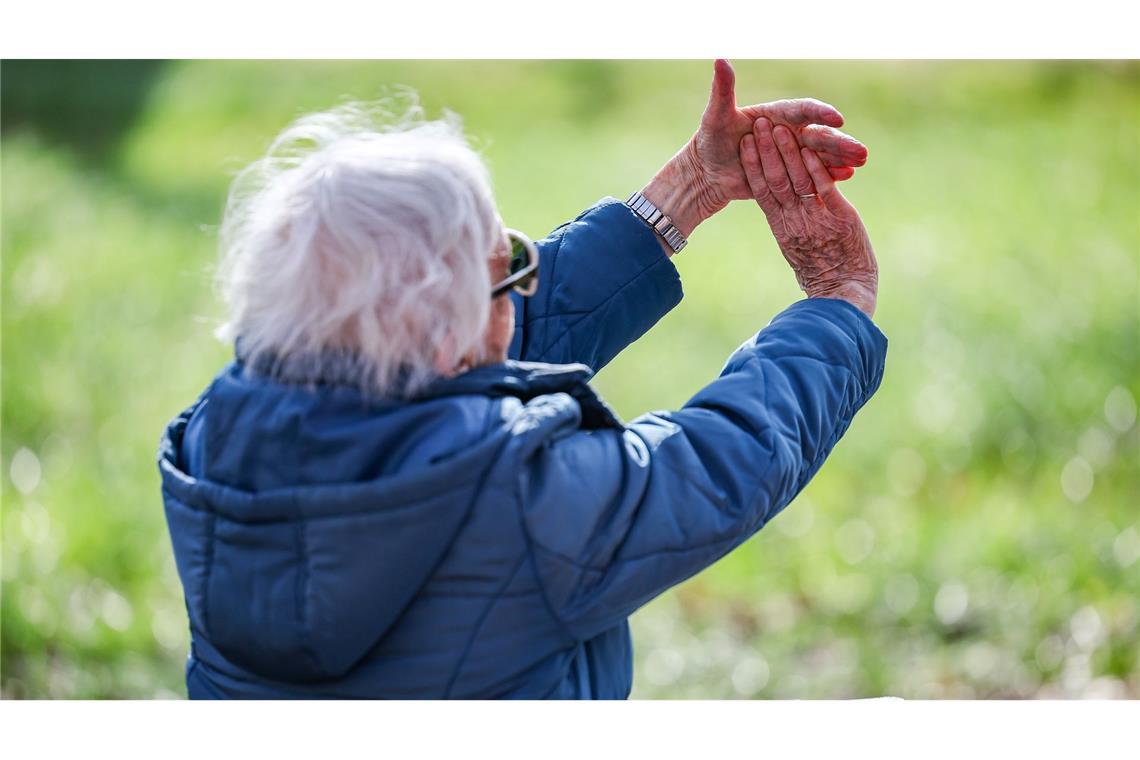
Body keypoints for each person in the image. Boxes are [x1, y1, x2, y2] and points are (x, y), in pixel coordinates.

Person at [158, 60, 886, 699]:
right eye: (508, 265)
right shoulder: (524, 498)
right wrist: (837, 302)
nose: (524, 286)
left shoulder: (213, 441)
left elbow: (463, 363)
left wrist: (690, 188)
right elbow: (723, 460)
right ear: (446, 326)